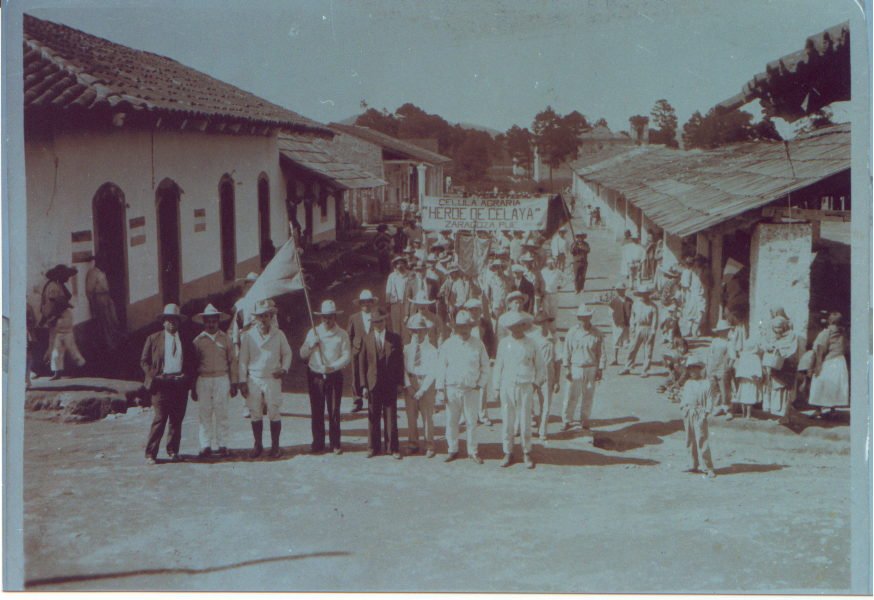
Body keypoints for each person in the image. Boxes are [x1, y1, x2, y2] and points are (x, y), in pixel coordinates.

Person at [422, 310, 490, 464]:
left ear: (471, 327)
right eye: (460, 327)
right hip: (452, 390)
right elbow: (441, 367)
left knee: (471, 422)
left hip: (471, 390)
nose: (463, 330)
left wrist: (480, 385)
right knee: (452, 422)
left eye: (466, 327)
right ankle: (452, 450)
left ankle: (473, 452)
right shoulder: (448, 344)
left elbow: (486, 367)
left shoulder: (478, 344)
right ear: (455, 328)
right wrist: (440, 389)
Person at [141, 304, 195, 464]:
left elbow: (192, 362)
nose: (172, 322)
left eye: (175, 320)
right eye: (168, 320)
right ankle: (151, 454)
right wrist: (156, 376)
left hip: (179, 384)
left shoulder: (185, 339)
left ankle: (173, 451)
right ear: (163, 322)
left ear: (179, 322)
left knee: (176, 420)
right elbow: (144, 362)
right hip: (161, 385)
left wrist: (186, 377)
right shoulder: (153, 339)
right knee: (160, 418)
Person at [238, 300, 292, 459]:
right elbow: (242, 360)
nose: (263, 319)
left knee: (274, 411)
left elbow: (287, 353)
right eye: (260, 316)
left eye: (266, 316)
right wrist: (242, 381)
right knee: (255, 413)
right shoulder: (248, 336)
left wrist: (284, 369)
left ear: (271, 317)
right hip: (254, 379)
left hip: (272, 379)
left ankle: (275, 446)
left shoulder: (279, 334)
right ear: (255, 318)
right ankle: (258, 444)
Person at [492, 311, 544, 469]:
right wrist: (495, 387)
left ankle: (527, 452)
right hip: (507, 386)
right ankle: (508, 452)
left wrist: (535, 384)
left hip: (525, 386)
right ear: (509, 328)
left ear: (524, 326)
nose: (516, 329)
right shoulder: (503, 343)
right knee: (507, 421)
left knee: (525, 421)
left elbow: (541, 368)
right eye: (513, 326)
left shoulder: (532, 343)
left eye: (519, 325)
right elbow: (498, 367)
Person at [300, 300, 352, 454]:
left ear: (335, 317)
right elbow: (302, 353)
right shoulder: (313, 332)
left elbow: (346, 356)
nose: (327, 320)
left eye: (330, 317)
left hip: (334, 376)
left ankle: (335, 443)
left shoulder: (342, 334)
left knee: (334, 411)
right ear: (320, 317)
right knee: (317, 410)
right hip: (315, 375)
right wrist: (311, 345)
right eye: (324, 317)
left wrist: (332, 366)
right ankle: (318, 442)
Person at [191, 304, 237, 459]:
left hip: (221, 379)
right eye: (208, 321)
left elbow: (233, 362)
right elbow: (193, 365)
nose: (211, 324)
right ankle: (205, 446)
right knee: (204, 414)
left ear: (218, 322)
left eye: (214, 321)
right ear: (204, 322)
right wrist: (193, 387)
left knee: (221, 413)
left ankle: (223, 445)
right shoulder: (198, 341)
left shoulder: (226, 339)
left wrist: (234, 382)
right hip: (203, 380)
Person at [359, 308, 405, 460]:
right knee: (373, 417)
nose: (378, 324)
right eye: (375, 322)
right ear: (371, 323)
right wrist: (364, 386)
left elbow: (400, 363)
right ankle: (372, 447)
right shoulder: (367, 339)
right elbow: (362, 364)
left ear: (385, 321)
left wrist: (400, 383)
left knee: (391, 417)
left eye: (380, 321)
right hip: (373, 383)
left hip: (390, 384)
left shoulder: (394, 338)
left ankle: (392, 448)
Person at [562, 303, 606, 438]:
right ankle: (566, 420)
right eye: (581, 317)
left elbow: (601, 352)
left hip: (591, 368)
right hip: (575, 368)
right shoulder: (572, 332)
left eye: (586, 317)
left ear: (590, 317)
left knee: (588, 395)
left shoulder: (597, 333)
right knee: (571, 395)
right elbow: (566, 351)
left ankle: (584, 420)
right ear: (578, 318)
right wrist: (566, 368)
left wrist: (600, 369)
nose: (583, 319)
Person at [39, 264, 85, 379]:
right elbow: (54, 306)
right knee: (63, 346)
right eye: (66, 276)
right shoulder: (55, 287)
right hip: (61, 318)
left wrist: (49, 319)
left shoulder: (54, 285)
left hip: (60, 320)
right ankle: (77, 367)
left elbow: (58, 304)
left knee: (59, 346)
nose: (68, 279)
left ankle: (60, 371)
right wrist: (50, 318)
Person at [405, 314, 439, 458]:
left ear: (426, 332)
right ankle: (413, 443)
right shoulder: (406, 349)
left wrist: (423, 389)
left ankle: (429, 444)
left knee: (427, 416)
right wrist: (408, 386)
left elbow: (433, 371)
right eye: (414, 331)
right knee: (411, 416)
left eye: (420, 331)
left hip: (426, 384)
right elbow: (403, 369)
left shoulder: (432, 350)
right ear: (410, 332)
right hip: (411, 382)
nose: (417, 334)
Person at [761, 311, 803, 422]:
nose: (777, 330)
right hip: (775, 367)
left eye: (779, 327)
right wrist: (770, 348)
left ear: (784, 326)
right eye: (775, 328)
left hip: (786, 367)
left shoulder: (791, 336)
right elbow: (768, 344)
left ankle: (784, 417)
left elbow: (792, 350)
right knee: (774, 389)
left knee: (783, 389)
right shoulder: (774, 336)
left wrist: (781, 352)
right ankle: (776, 415)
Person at [680, 355, 716, 478]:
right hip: (688, 413)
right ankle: (692, 464)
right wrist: (683, 409)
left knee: (701, 439)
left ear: (699, 369)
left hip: (700, 413)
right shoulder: (688, 383)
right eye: (690, 369)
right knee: (689, 439)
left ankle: (708, 467)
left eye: (695, 369)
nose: (692, 372)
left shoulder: (706, 383)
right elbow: (684, 398)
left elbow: (710, 400)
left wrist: (705, 413)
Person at [528, 310, 562, 440]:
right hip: (532, 375)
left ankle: (542, 431)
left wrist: (557, 381)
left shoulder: (554, 338)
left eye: (545, 322)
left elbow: (558, 360)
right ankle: (520, 428)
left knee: (546, 405)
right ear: (536, 324)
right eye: (539, 323)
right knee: (526, 402)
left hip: (548, 375)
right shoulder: (531, 338)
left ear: (549, 323)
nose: (542, 325)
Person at [463, 298, 497, 427]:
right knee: (467, 385)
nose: (474, 312)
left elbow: (492, 339)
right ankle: (466, 415)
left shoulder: (486, 323)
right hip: (468, 357)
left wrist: (493, 356)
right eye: (471, 310)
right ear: (467, 311)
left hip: (483, 357)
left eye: (476, 310)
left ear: (480, 310)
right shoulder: (464, 322)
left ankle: (483, 415)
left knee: (482, 386)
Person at [808, 312, 849, 419]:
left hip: (830, 362)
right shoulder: (843, 332)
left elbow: (819, 347)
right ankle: (832, 410)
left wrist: (818, 364)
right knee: (834, 385)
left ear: (832, 322)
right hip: (840, 361)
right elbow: (845, 346)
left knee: (820, 383)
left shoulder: (827, 332)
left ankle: (818, 410)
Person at [85, 253, 123, 357]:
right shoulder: (93, 273)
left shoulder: (102, 272)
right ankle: (110, 345)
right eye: (103, 262)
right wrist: (93, 304)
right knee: (105, 320)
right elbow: (89, 291)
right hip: (99, 297)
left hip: (106, 295)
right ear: (98, 262)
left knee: (113, 318)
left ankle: (115, 340)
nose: (105, 264)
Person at [347, 290, 378, 413]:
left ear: (372, 303)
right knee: (356, 374)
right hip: (357, 350)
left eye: (368, 302)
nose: (366, 304)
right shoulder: (354, 317)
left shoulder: (376, 317)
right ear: (360, 304)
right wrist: (351, 350)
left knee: (371, 373)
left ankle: (372, 398)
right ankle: (357, 400)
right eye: (363, 302)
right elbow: (349, 335)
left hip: (372, 350)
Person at [619, 284, 659, 378]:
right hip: (638, 328)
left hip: (648, 328)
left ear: (648, 294)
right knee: (632, 348)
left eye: (645, 294)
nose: (644, 295)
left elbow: (655, 320)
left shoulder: (653, 306)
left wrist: (653, 331)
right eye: (642, 294)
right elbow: (632, 316)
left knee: (648, 350)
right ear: (639, 294)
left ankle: (645, 370)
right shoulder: (636, 304)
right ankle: (628, 367)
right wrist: (632, 327)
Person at [707, 319, 736, 419]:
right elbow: (711, 354)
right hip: (713, 367)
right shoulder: (715, 341)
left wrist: (728, 367)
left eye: (725, 330)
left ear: (728, 331)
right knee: (714, 387)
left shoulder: (729, 342)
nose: (723, 332)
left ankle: (728, 410)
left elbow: (733, 357)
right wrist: (709, 367)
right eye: (721, 330)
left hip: (723, 368)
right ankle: (718, 407)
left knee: (725, 389)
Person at [385, 256, 414, 339]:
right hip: (395, 303)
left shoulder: (409, 274)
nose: (400, 265)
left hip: (405, 303)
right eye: (398, 263)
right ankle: (397, 344)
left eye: (401, 263)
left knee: (405, 323)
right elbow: (388, 290)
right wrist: (387, 302)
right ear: (395, 265)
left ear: (405, 264)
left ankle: (405, 344)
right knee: (396, 324)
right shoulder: (392, 276)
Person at [734, 341, 763, 419]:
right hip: (752, 380)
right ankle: (748, 414)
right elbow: (758, 369)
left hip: (743, 380)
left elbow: (739, 368)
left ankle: (744, 414)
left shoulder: (743, 355)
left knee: (743, 396)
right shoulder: (755, 357)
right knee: (750, 397)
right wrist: (759, 376)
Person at [608, 282, 633, 365]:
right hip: (617, 324)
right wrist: (616, 320)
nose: (619, 291)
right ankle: (615, 359)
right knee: (616, 340)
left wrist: (631, 321)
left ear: (624, 290)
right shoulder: (614, 301)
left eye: (621, 290)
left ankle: (629, 359)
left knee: (627, 341)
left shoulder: (629, 301)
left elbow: (632, 312)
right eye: (618, 290)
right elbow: (610, 313)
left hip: (626, 323)